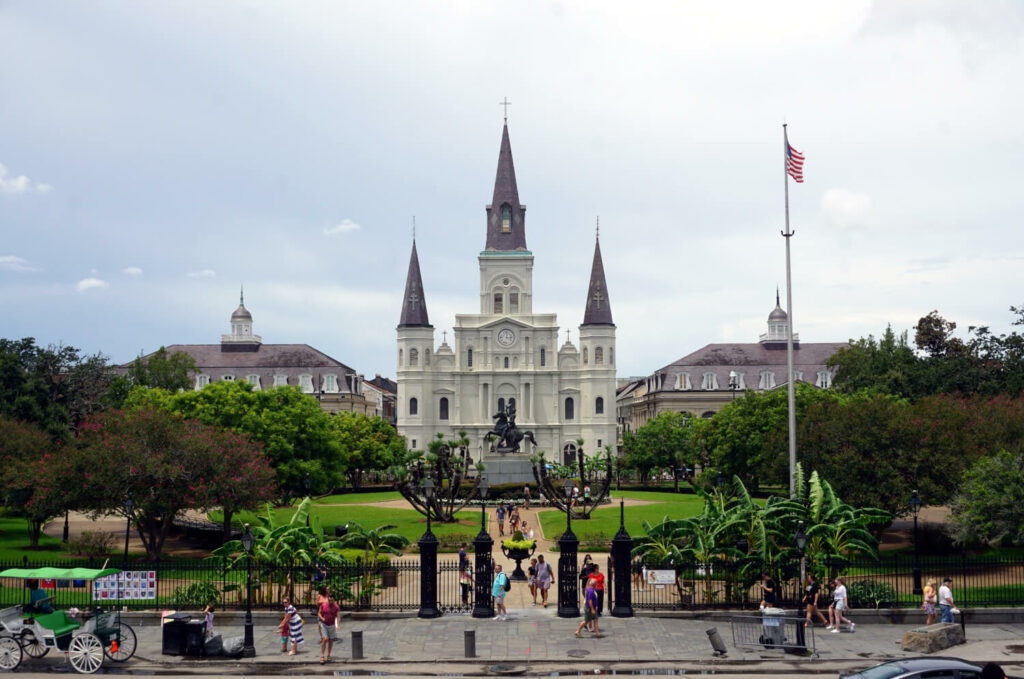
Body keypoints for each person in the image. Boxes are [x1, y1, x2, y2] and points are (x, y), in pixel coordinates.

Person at [317, 593, 340, 664]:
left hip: (332, 625)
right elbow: (319, 613)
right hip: (324, 624)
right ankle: (322, 655)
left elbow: (338, 617)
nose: (330, 601)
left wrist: (337, 625)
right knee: (325, 639)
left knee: (331, 640)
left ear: (334, 600)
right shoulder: (323, 605)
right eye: (329, 600)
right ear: (328, 599)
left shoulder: (336, 607)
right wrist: (322, 618)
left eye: (332, 600)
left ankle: (329, 654)